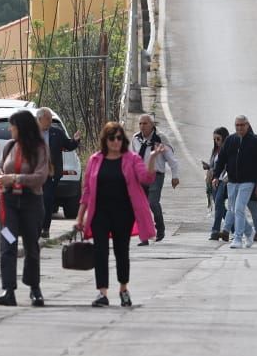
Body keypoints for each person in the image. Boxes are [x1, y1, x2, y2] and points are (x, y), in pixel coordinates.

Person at [76, 121, 154, 307]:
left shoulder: (132, 159)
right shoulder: (95, 160)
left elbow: (146, 178)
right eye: (112, 138)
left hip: (123, 214)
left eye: (119, 138)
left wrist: (152, 158)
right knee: (100, 252)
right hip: (99, 214)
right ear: (106, 140)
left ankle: (123, 289)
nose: (116, 142)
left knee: (121, 252)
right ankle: (102, 293)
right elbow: (87, 190)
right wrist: (80, 217)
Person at [0, 110, 49, 307]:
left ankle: (35, 288)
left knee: (31, 246)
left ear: (21, 127)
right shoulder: (9, 146)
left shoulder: (39, 148)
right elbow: (0, 167)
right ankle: (8, 290)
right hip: (8, 205)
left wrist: (17, 178)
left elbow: (40, 176)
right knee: (8, 243)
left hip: (30, 203)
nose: (10, 129)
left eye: (12, 126)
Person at [215, 115, 257, 249]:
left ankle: (238, 238)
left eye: (242, 125)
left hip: (248, 182)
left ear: (247, 125)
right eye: (237, 125)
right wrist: (216, 175)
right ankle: (250, 232)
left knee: (238, 208)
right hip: (232, 181)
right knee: (233, 209)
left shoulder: (255, 141)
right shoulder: (230, 140)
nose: (239, 128)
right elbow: (222, 159)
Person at [132, 114, 180, 245]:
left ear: (152, 125)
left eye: (145, 123)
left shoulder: (160, 139)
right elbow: (133, 158)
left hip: (156, 175)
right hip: (140, 176)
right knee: (141, 207)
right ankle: (144, 236)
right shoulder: (136, 138)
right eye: (140, 123)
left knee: (153, 202)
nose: (142, 126)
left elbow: (172, 159)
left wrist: (175, 176)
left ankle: (160, 228)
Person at [36, 107, 80, 238]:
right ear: (40, 119)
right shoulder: (31, 134)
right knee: (35, 200)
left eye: (51, 118)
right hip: (34, 174)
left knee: (47, 199)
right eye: (48, 119)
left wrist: (75, 140)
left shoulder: (57, 132)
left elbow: (68, 145)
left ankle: (45, 228)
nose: (50, 121)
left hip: (51, 173)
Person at [205, 126, 230, 240]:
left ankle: (215, 231)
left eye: (218, 139)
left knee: (219, 202)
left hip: (224, 181)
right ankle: (235, 227)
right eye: (214, 139)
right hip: (214, 180)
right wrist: (208, 167)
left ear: (224, 138)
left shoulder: (229, 149)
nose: (216, 141)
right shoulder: (215, 150)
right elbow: (215, 165)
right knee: (219, 206)